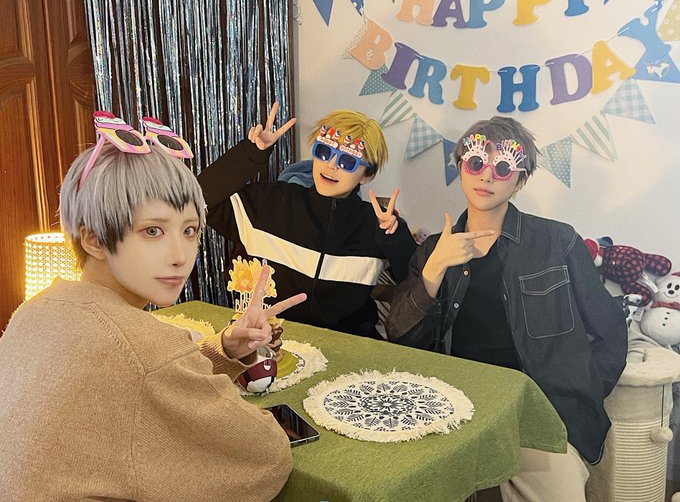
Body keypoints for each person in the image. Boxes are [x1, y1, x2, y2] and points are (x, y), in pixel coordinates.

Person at [0, 114, 306, 502]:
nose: (180, 255)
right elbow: (265, 456)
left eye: (189, 230)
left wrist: (223, 349)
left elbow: (131, 383)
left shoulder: (33, 311)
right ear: (94, 240)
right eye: (153, 231)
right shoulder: (145, 346)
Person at [385, 116, 628, 501]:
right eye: (476, 163)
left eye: (502, 168)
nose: (486, 176)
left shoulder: (557, 241)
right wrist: (434, 269)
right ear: (461, 168)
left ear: (520, 181)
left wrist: (582, 390)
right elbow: (400, 336)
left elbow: (610, 329)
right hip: (455, 406)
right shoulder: (435, 248)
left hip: (536, 413)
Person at [198, 104, 416, 339]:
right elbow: (200, 200)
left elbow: (418, 281)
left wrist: (396, 237)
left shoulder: (375, 224)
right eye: (324, 152)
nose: (331, 165)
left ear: (367, 175)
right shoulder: (271, 202)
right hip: (267, 340)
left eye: (347, 161)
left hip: (346, 346)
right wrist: (251, 154)